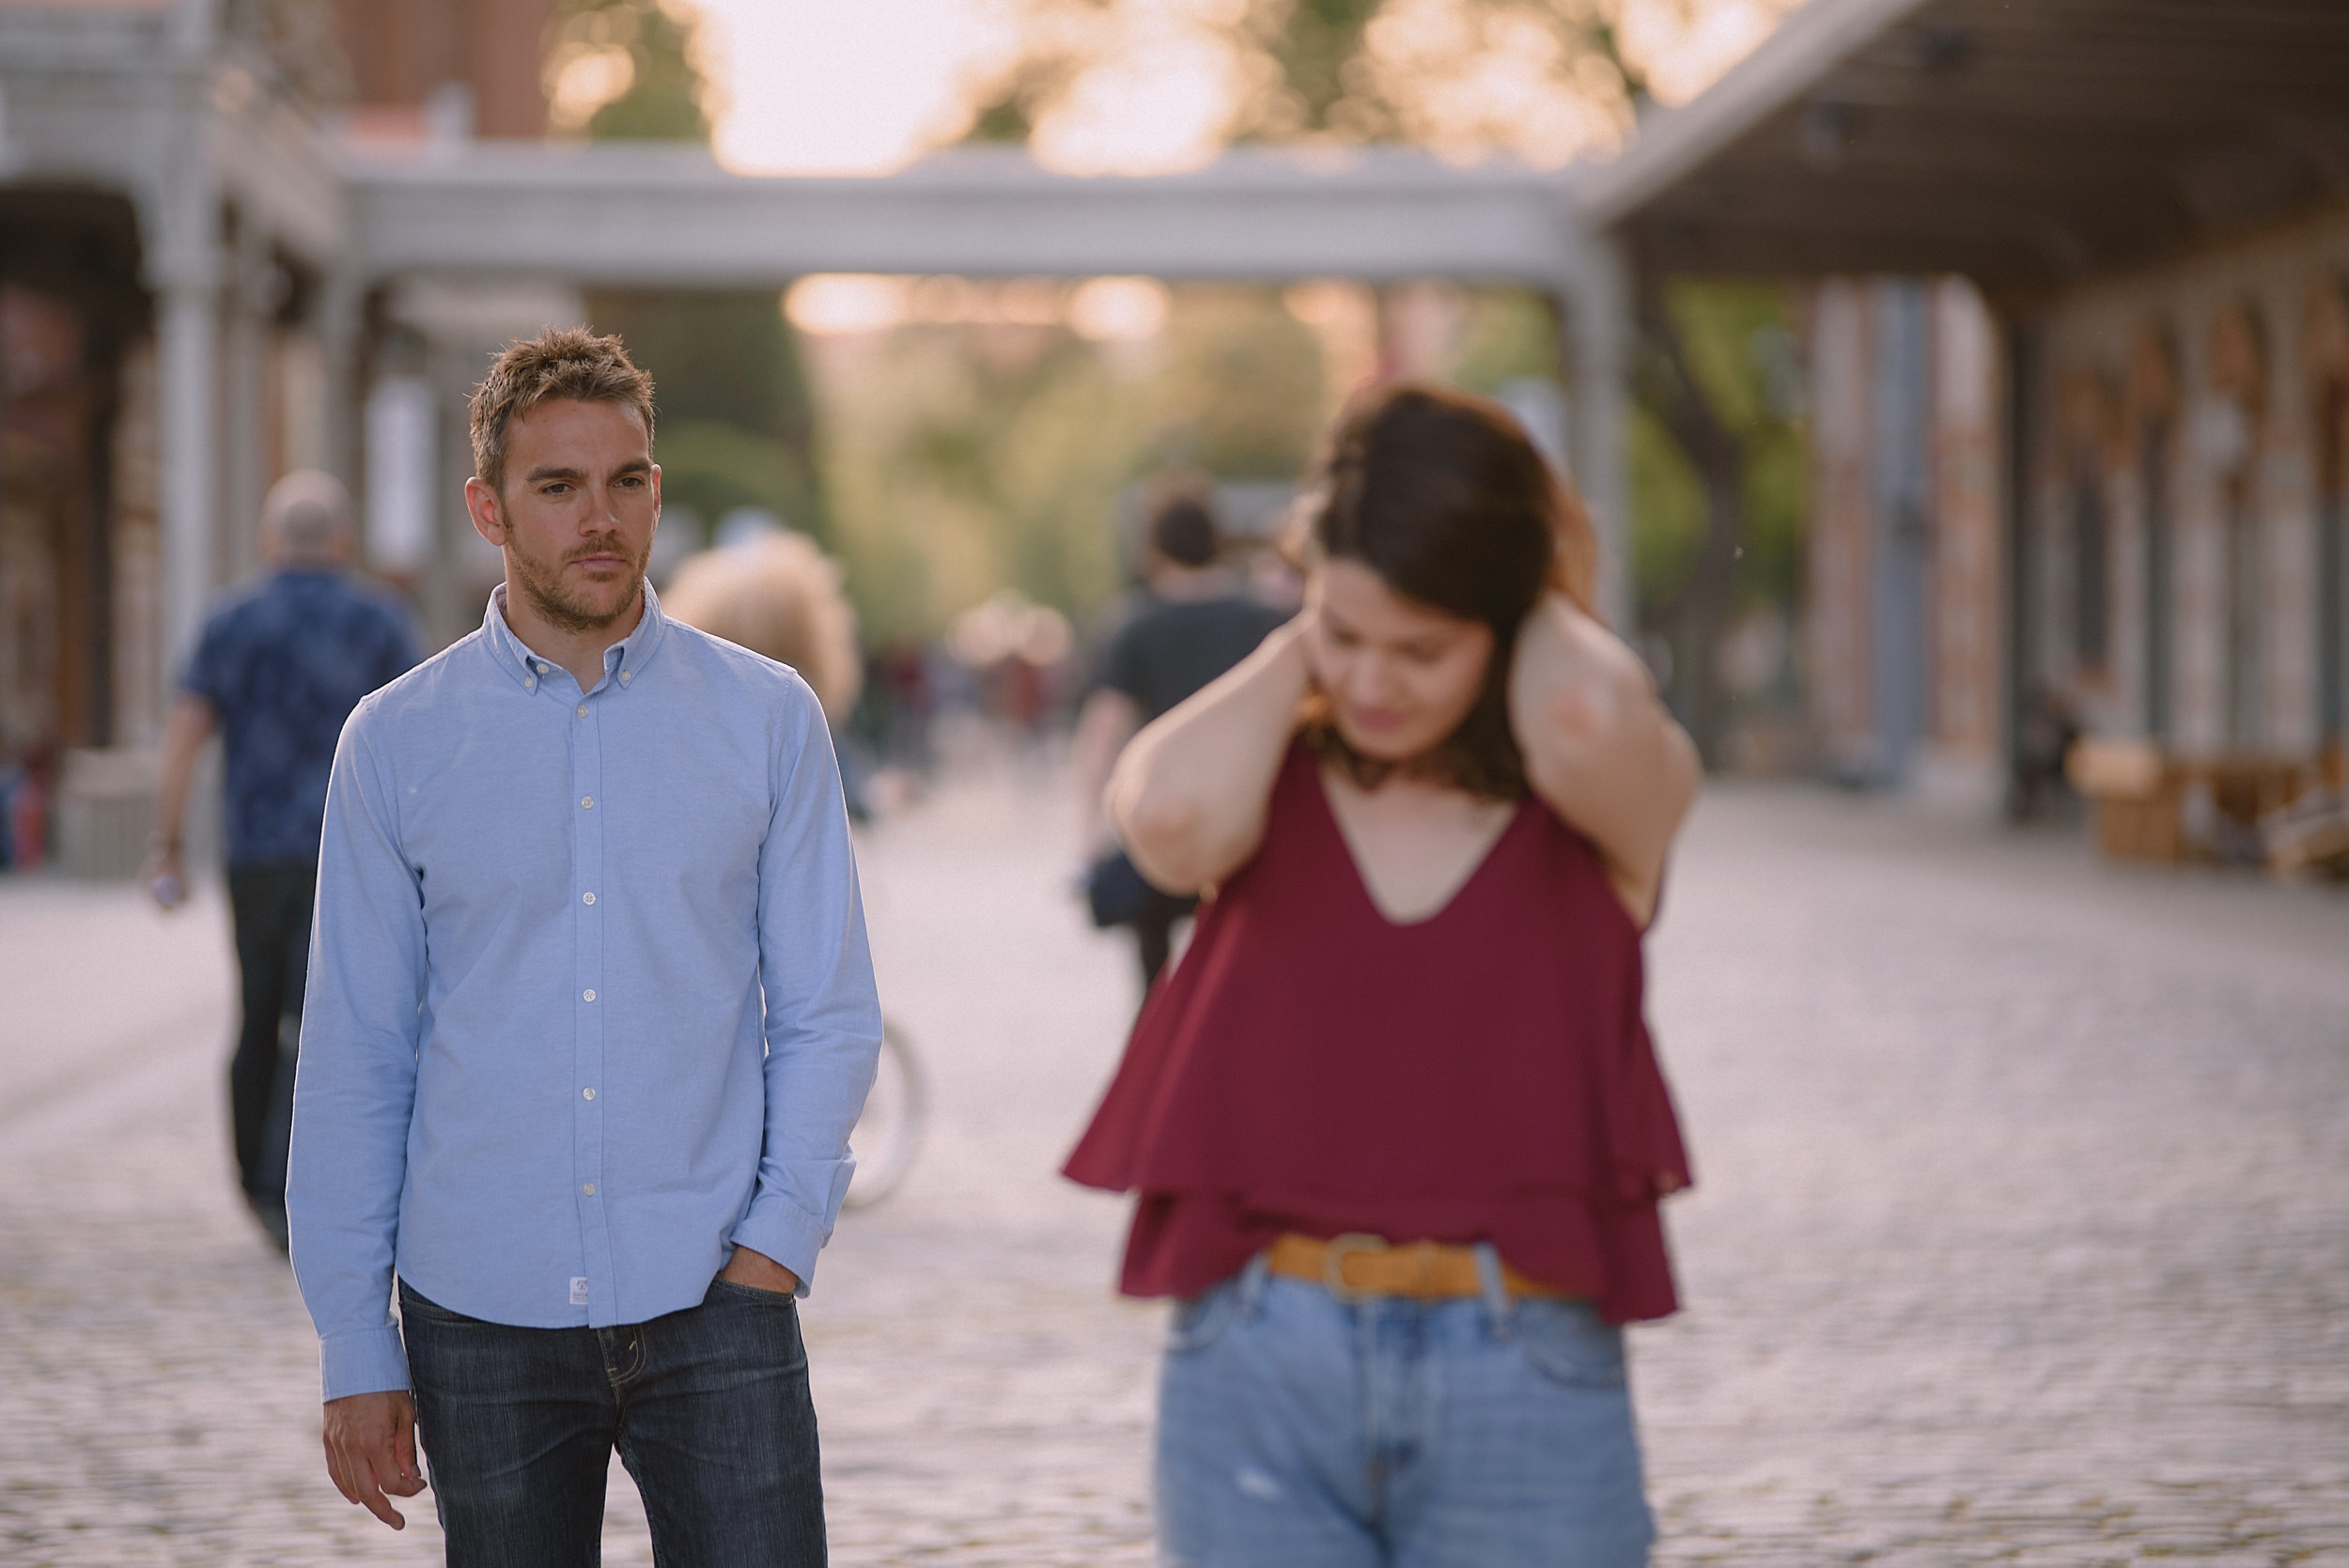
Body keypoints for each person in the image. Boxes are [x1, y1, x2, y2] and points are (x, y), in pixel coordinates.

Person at [1064, 382, 1701, 1567]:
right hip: (1263, 1349)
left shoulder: (1594, 796)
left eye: (1422, 647)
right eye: (1343, 636)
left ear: (1504, 619)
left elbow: (1574, 711)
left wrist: (1518, 575)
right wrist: (1314, 625)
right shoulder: (1274, 776)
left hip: (1524, 1361)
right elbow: (1164, 820)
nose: (1371, 682)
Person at [288, 328, 880, 1564]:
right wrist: (355, 1338)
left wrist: (778, 1240)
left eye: (626, 480)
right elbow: (357, 1054)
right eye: (556, 487)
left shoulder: (767, 722)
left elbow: (827, 1009)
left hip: (719, 1292)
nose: (598, 517)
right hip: (481, 1312)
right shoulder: (395, 745)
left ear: (657, 489)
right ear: (488, 508)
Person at [146, 469, 418, 1252]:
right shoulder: (378, 619)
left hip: (255, 852)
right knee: (327, 1018)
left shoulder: (232, 619)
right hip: (349, 850)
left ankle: (254, 1179)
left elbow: (187, 730)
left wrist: (166, 844)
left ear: (272, 542)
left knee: (257, 1010)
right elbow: (416, 730)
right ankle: (293, 1177)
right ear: (342, 541)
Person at [1070, 482, 1288, 989]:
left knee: (1153, 963)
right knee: (1245, 955)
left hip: (1162, 811)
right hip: (1249, 810)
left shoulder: (1133, 624)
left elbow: (1105, 729)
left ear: (1152, 546)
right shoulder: (1263, 619)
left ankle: (1162, 1052)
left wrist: (1092, 832)